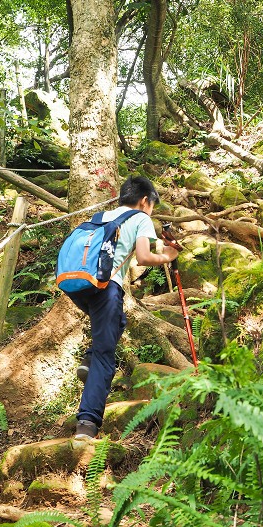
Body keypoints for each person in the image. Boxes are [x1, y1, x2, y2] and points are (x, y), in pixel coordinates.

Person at [71, 175, 179, 440]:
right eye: (152, 205)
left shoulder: (104, 215)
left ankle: (89, 357)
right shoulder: (141, 217)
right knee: (106, 358)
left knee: (117, 323)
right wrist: (168, 256)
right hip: (107, 287)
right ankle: (87, 423)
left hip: (79, 284)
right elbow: (143, 257)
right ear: (144, 201)